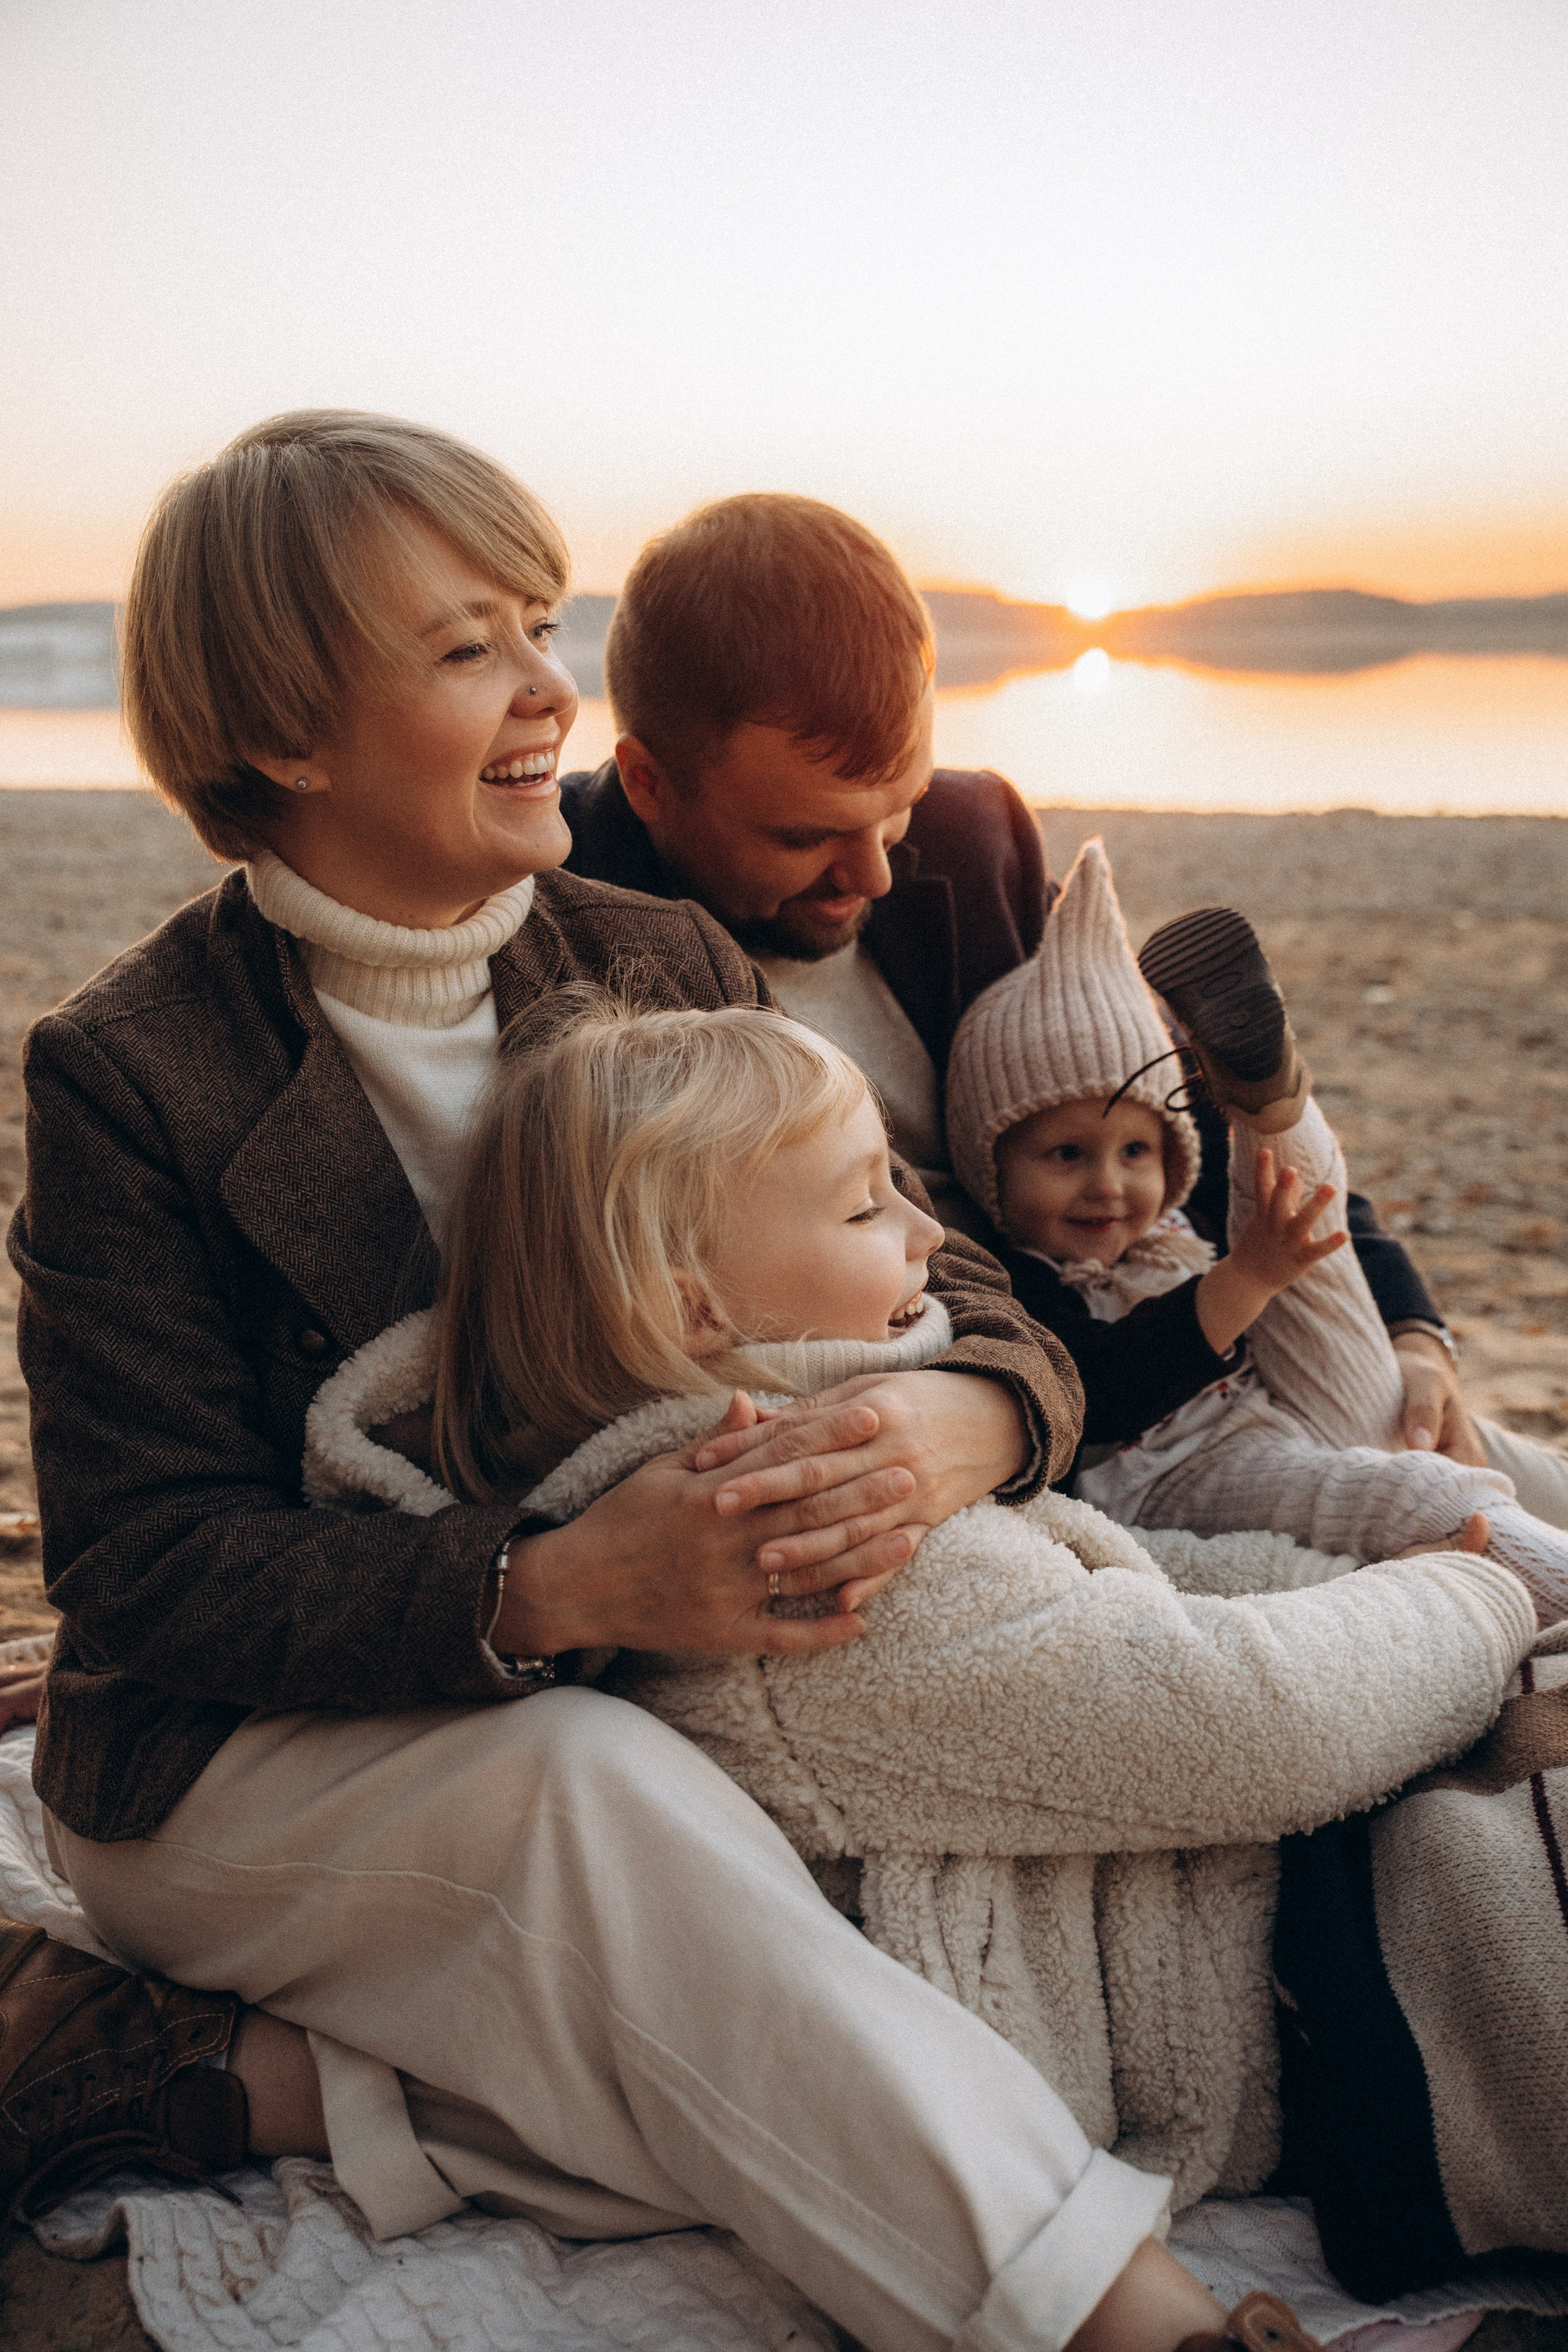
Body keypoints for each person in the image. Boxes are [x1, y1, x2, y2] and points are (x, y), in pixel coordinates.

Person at [6, 407, 1250, 2352]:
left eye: (533, 623)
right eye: (463, 649)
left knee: (791, 2021)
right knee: (584, 1790)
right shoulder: (129, 1073)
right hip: (233, 1768)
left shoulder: (656, 953)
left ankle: (268, 2088)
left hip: (673, 1714)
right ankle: (1139, 2318)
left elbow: (967, 1282)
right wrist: (553, 1588)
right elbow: (145, 1565)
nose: (544, 692)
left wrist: (964, 1419)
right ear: (282, 733)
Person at [296, 993, 1533, 2223]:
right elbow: (1242, 1721)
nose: (924, 1228)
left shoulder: (799, 1453)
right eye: (861, 1205)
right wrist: (1466, 1604)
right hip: (1305, 2013)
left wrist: (1358, 1590)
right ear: (693, 1311)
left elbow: (1106, 1576)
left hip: (1261, 1893)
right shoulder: (799, 1547)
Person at [554, 491, 1541, 1492]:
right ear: (647, 784)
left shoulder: (976, 840)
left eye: (894, 811)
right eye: (806, 837)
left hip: (1208, 1339)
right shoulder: (570, 929)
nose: (876, 877)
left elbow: (1179, 1103)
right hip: (1005, 1418)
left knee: (1506, 1482)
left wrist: (1412, 1327)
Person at [944, 840, 1568, 1622]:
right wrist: (1244, 1278)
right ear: (988, 1166)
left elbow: (1323, 1253)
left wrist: (1389, 1324)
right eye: (1066, 1154)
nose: (1107, 1184)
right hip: (1179, 1475)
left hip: (1289, 1411)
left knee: (1298, 1233)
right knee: (1406, 1486)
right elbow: (1097, 1391)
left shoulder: (1172, 1225)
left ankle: (1269, 1105)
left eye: (1136, 1150)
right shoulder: (1016, 1278)